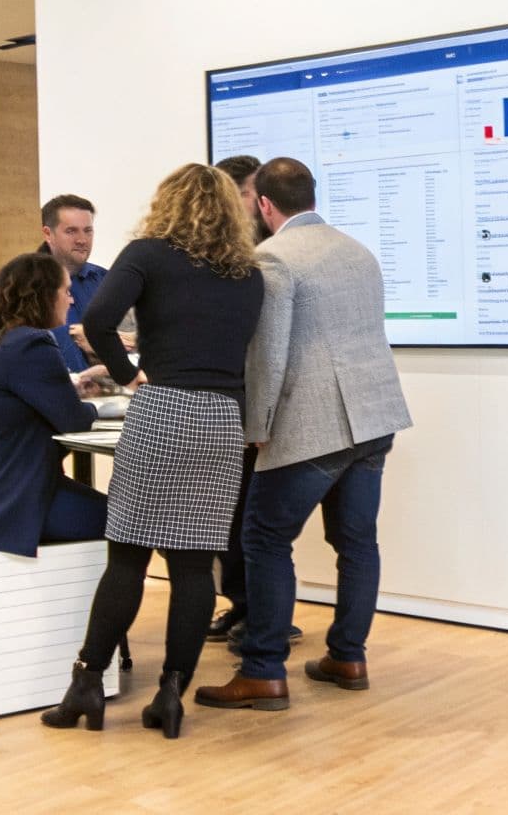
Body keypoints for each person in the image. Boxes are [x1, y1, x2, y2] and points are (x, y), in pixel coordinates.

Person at [42, 164, 263, 740]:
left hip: (162, 409)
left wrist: (129, 374)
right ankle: (171, 694)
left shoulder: (147, 254)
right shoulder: (247, 273)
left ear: (167, 203)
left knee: (128, 556)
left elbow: (97, 322)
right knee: (193, 566)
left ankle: (86, 684)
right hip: (221, 420)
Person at [195, 158, 412, 713]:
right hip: (374, 417)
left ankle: (263, 670)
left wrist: (257, 426)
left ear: (264, 205)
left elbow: (269, 354)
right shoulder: (358, 250)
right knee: (356, 543)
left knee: (265, 539)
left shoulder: (273, 258)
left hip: (313, 424)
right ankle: (348, 656)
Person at [0, 253, 108, 558]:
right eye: (65, 292)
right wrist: (100, 405)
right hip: (1, 502)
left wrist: (70, 390)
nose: (71, 301)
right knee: (130, 523)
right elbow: (75, 420)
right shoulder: (32, 344)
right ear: (42, 296)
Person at [204, 154, 301, 649]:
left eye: (238, 192)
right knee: (229, 515)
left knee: (254, 518)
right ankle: (242, 604)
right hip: (228, 402)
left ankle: (266, 616)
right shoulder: (222, 252)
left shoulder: (274, 255)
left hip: (258, 409)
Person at [40, 194, 109, 373]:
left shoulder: (106, 280)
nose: (82, 240)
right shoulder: (29, 286)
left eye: (88, 230)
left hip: (109, 392)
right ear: (48, 233)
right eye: (71, 231)